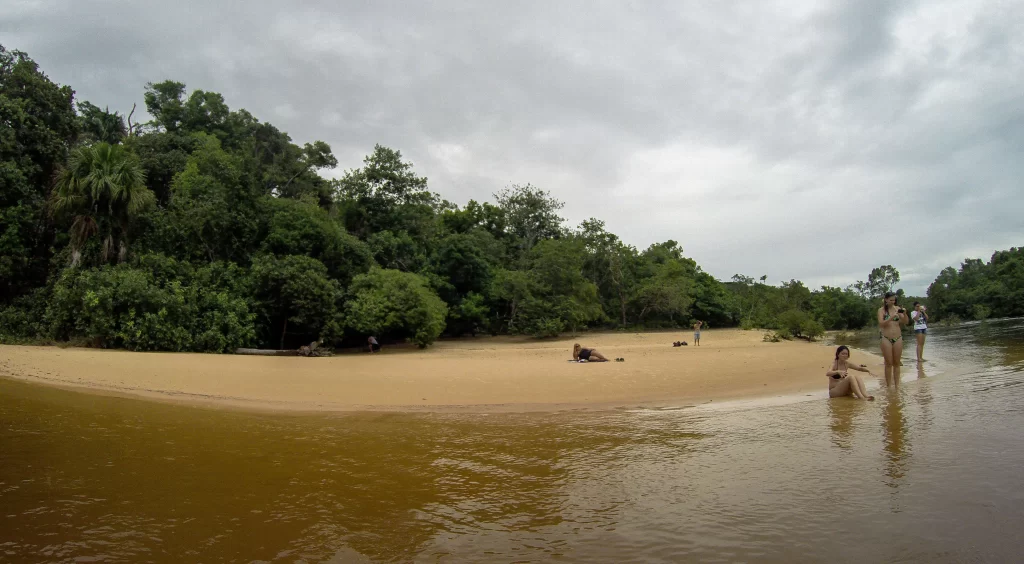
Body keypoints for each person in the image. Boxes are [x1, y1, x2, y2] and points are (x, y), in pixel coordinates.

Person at [877, 292, 907, 386]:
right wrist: (891, 317)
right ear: (886, 300)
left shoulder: (897, 309)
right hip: (886, 338)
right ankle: (889, 385)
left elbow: (905, 322)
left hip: (898, 337)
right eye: (890, 300)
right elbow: (881, 323)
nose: (892, 302)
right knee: (889, 363)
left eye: (894, 300)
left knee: (897, 363)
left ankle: (897, 385)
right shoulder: (881, 310)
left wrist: (904, 314)